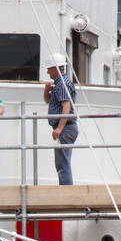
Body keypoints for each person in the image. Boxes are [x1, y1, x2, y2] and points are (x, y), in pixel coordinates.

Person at [43, 53, 77, 185]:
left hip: (65, 128)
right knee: (62, 162)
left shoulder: (62, 84)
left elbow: (66, 107)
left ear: (56, 69)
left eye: (49, 68)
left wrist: (59, 128)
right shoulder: (60, 83)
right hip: (66, 128)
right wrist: (47, 90)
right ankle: (65, 188)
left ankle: (66, 190)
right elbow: (49, 101)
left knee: (62, 163)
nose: (47, 71)